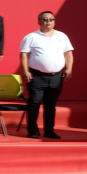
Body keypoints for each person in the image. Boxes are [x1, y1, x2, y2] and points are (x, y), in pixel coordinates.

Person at [20, 11, 74, 139]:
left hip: (56, 76)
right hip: (37, 76)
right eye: (44, 19)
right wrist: (25, 71)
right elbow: (23, 55)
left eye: (51, 19)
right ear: (39, 21)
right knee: (35, 103)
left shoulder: (62, 36)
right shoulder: (31, 37)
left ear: (54, 21)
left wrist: (69, 68)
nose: (48, 22)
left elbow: (68, 53)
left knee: (51, 105)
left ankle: (49, 131)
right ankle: (32, 130)